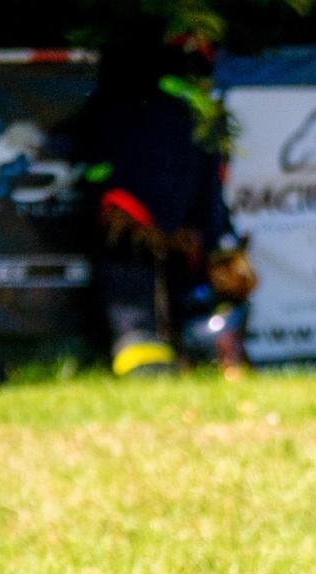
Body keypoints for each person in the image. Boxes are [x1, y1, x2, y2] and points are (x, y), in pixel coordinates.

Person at [73, 32, 254, 377]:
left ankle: (154, 360)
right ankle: (174, 360)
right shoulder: (196, 104)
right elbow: (210, 182)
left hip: (128, 217)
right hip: (159, 224)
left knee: (141, 303)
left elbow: (92, 154)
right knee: (160, 299)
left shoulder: (119, 95)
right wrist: (217, 238)